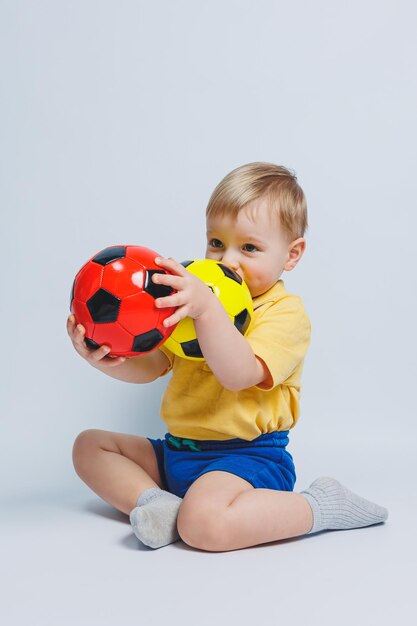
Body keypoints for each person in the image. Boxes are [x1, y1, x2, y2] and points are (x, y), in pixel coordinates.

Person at [67, 162, 388, 552]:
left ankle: (319, 505)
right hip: (178, 450)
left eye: (249, 247)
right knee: (89, 446)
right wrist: (102, 356)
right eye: (216, 243)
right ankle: (157, 504)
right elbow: (152, 366)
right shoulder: (194, 298)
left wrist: (207, 311)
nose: (226, 261)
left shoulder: (284, 313)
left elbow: (240, 373)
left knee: (204, 525)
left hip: (247, 457)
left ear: (292, 253)